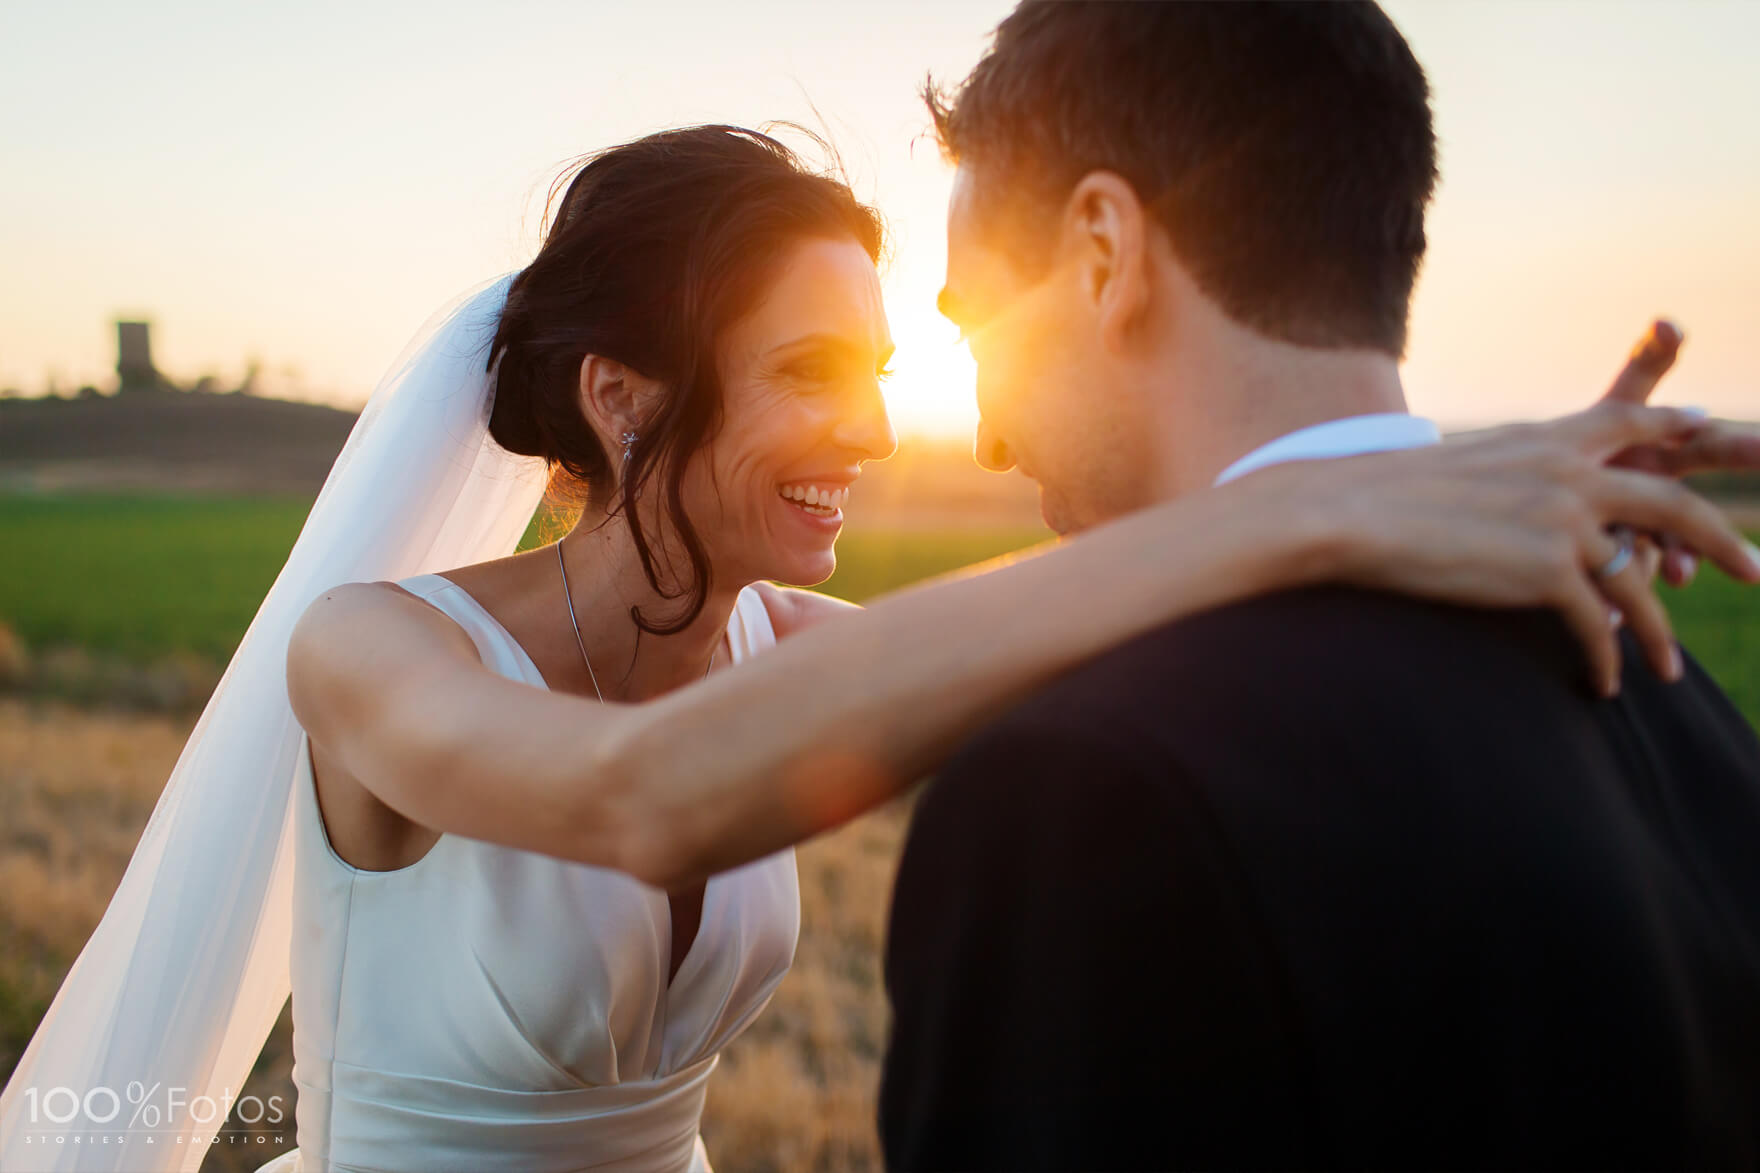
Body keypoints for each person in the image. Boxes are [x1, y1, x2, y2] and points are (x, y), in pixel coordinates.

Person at [3, 125, 1755, 1173]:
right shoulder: (373, 653)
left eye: (882, 369)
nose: (874, 426)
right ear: (623, 400)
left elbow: (1145, 641)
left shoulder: (804, 643)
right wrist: (1294, 512)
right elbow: (634, 795)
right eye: (812, 376)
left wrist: (1444, 475)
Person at [877, 4, 1760, 1169]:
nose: (986, 437)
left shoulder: (1082, 790)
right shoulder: (1675, 701)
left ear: (1103, 253)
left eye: (976, 325)